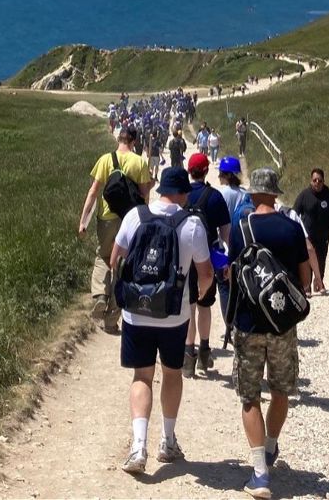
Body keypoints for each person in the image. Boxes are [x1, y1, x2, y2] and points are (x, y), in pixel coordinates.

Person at [110, 167, 214, 474]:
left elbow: (115, 258)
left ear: (160, 190)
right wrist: (195, 295)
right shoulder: (191, 224)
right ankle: (167, 442)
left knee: (142, 377)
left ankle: (138, 446)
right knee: (171, 374)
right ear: (182, 193)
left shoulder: (134, 216)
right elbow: (206, 274)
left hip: (136, 313)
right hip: (174, 315)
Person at [227, 168, 311, 499]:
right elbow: (303, 280)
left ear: (253, 195)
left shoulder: (241, 227)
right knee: (281, 390)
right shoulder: (291, 228)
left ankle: (259, 474)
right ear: (275, 194)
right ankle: (272, 444)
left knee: (250, 397)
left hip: (248, 324)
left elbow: (233, 275)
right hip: (282, 325)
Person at [78, 128, 152, 333]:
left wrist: (83, 221)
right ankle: (112, 319)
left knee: (103, 256)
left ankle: (101, 295)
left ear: (118, 139)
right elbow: (145, 196)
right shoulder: (140, 162)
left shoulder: (105, 160)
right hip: (130, 219)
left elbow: (93, 192)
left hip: (107, 219)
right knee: (123, 264)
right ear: (134, 141)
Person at [183, 153, 232, 376]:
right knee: (205, 306)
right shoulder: (214, 197)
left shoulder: (181, 195)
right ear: (205, 171)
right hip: (208, 259)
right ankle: (204, 352)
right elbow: (226, 234)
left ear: (189, 171)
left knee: (189, 307)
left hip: (184, 258)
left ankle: (187, 357)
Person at [292, 168, 329, 292]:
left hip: (323, 235)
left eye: (320, 180)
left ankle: (318, 282)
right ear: (311, 181)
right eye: (315, 180)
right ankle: (307, 286)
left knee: (321, 260)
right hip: (307, 236)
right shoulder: (304, 195)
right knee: (307, 261)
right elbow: (294, 213)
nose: (317, 183)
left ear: (324, 181)